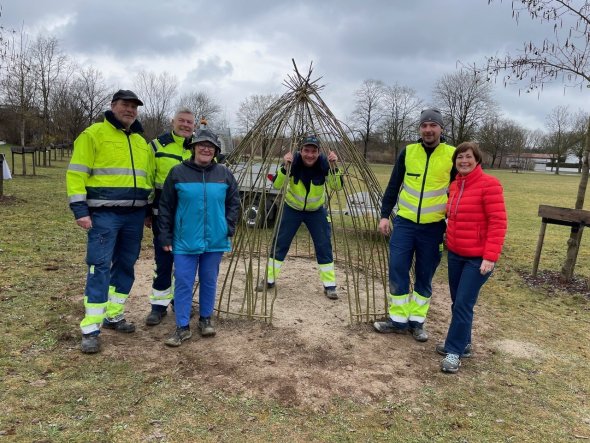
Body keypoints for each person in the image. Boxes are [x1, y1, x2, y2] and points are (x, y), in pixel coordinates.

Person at [66, 89, 155, 354]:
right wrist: (80, 209)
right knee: (100, 266)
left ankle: (114, 314)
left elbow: (146, 178)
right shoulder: (93, 134)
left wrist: (147, 210)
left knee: (126, 265)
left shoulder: (140, 142)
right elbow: (76, 173)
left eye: (134, 107)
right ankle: (91, 328)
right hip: (105, 214)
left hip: (134, 215)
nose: (130, 110)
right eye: (125, 105)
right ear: (113, 105)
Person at [373, 108, 456, 342]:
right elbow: (393, 185)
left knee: (424, 274)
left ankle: (417, 322)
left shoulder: (452, 155)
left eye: (433, 125)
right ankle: (398, 320)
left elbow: (459, 191)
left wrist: (452, 222)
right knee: (397, 268)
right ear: (419, 128)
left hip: (434, 227)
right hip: (405, 224)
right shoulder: (408, 152)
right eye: (424, 125)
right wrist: (384, 215)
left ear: (441, 128)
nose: (428, 130)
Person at [157, 128, 240, 346]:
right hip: (185, 239)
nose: (206, 149)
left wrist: (228, 226)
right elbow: (166, 206)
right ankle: (182, 327)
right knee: (183, 281)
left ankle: (205, 319)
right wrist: (165, 236)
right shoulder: (178, 172)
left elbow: (234, 202)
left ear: (216, 151)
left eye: (210, 146)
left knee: (209, 280)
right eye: (202, 145)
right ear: (193, 148)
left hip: (215, 240)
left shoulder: (224, 174)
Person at [437, 142, 507, 373]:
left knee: (463, 303)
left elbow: (498, 222)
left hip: (478, 259)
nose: (464, 161)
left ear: (477, 160)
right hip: (456, 254)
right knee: (458, 303)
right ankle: (464, 343)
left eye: (468, 157)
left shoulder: (490, 185)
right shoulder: (455, 185)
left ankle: (454, 351)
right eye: (460, 157)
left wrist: (490, 257)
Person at [256, 135, 343, 299]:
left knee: (324, 245)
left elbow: (337, 186)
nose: (310, 155)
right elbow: (276, 185)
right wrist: (284, 166)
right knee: (280, 243)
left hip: (316, 211)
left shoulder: (325, 164)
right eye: (306, 150)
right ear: (300, 151)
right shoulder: (292, 162)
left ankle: (330, 285)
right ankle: (269, 279)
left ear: (318, 152)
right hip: (292, 209)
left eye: (313, 151)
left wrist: (334, 167)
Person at [144, 108, 195, 326]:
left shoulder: (197, 148)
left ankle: (180, 301)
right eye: (181, 121)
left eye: (189, 122)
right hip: (162, 216)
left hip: (190, 218)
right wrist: (146, 210)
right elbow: (147, 179)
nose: (185, 125)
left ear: (194, 126)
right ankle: (158, 306)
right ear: (172, 122)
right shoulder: (157, 146)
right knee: (163, 261)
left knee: (185, 263)